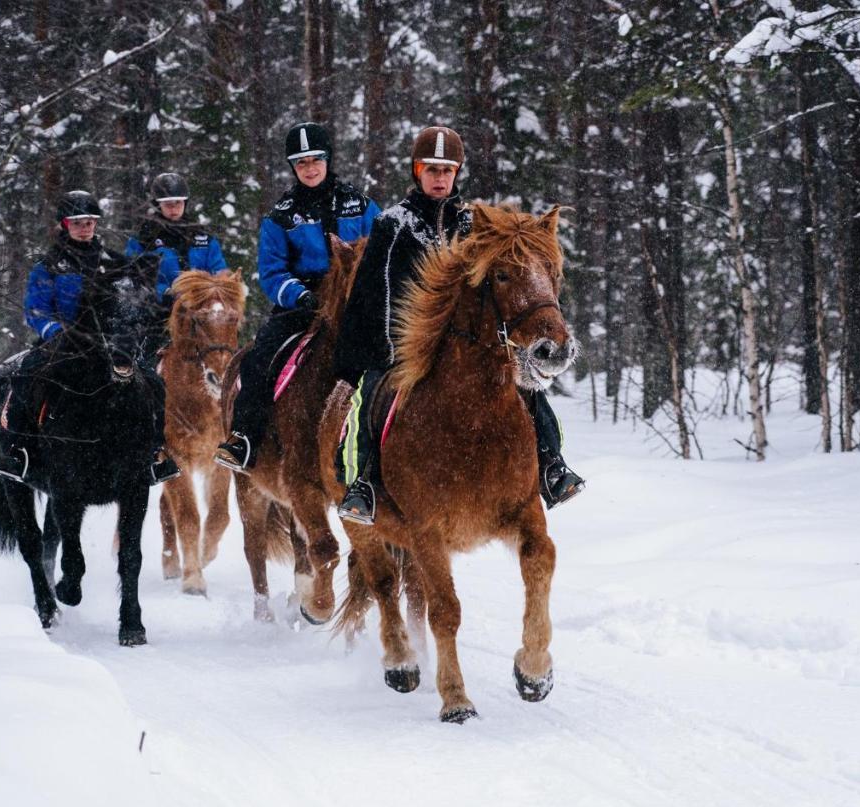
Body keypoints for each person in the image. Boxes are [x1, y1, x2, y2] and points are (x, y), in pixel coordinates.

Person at [331, 126, 585, 525]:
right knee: (371, 394)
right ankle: (362, 481)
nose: (439, 178)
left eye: (447, 170)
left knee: (528, 389)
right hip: (403, 344)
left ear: (457, 173)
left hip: (464, 344)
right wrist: (377, 347)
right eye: (431, 169)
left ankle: (551, 465)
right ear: (417, 171)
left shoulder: (476, 224)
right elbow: (372, 290)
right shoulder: (392, 224)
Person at [213, 122, 381, 472]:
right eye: (301, 162)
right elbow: (272, 272)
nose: (310, 168)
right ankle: (244, 438)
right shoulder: (281, 216)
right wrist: (299, 294)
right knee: (259, 356)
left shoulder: (361, 205)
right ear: (293, 167)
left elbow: (381, 253)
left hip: (356, 303)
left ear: (327, 159)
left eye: (315, 160)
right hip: (303, 304)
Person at [0, 189, 179, 487]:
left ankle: (153, 455)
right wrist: (55, 331)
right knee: (26, 375)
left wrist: (162, 305)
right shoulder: (49, 266)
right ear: (64, 225)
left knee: (153, 383)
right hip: (63, 343)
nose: (85, 228)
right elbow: (36, 310)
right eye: (78, 222)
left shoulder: (114, 262)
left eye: (90, 222)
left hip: (111, 343)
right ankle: (17, 453)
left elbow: (133, 298)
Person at [125, 171, 228, 303]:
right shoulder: (144, 238)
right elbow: (134, 277)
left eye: (178, 203)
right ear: (158, 205)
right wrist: (164, 293)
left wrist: (205, 293)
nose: (174, 209)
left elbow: (219, 272)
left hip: (201, 305)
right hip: (158, 307)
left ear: (185, 203)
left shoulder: (203, 237)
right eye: (168, 204)